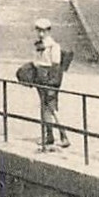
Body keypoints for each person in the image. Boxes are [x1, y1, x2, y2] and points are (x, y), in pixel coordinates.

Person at [31, 18, 69, 151]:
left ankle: (64, 135)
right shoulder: (38, 45)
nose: (41, 34)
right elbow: (36, 60)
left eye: (44, 31)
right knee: (44, 107)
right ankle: (49, 135)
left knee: (51, 107)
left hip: (50, 78)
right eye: (39, 31)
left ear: (48, 31)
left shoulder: (54, 46)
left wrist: (52, 83)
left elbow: (56, 65)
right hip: (40, 77)